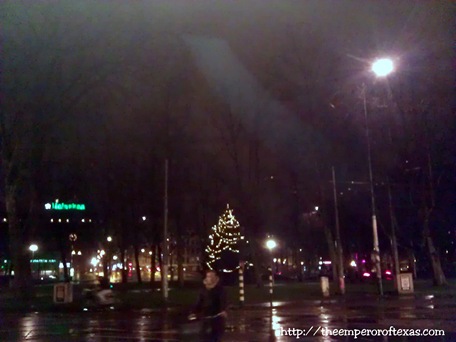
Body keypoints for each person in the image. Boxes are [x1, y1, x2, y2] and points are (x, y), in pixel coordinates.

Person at [189, 270, 228, 342]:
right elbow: (199, 302)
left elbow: (223, 301)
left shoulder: (220, 289)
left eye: (212, 276)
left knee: (216, 337)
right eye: (208, 276)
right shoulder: (203, 290)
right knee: (204, 336)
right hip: (205, 318)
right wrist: (194, 312)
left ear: (215, 278)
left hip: (217, 318)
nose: (210, 278)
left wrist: (222, 310)